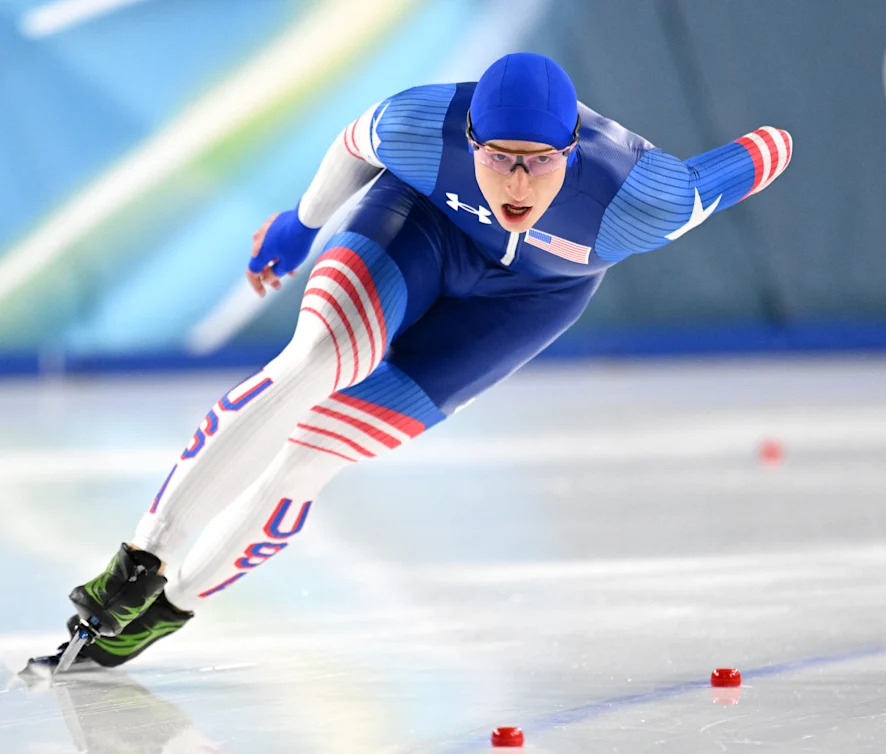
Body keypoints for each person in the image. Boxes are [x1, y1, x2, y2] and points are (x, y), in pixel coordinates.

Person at [35, 52, 793, 670]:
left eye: (539, 164)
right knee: (314, 363)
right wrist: (300, 228)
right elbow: (352, 146)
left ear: (571, 152)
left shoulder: (642, 199)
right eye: (499, 160)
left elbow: (757, 156)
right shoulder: (421, 123)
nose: (518, 184)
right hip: (416, 229)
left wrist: (784, 135)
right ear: (470, 142)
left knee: (311, 455)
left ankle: (173, 607)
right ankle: (142, 559)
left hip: (527, 302)